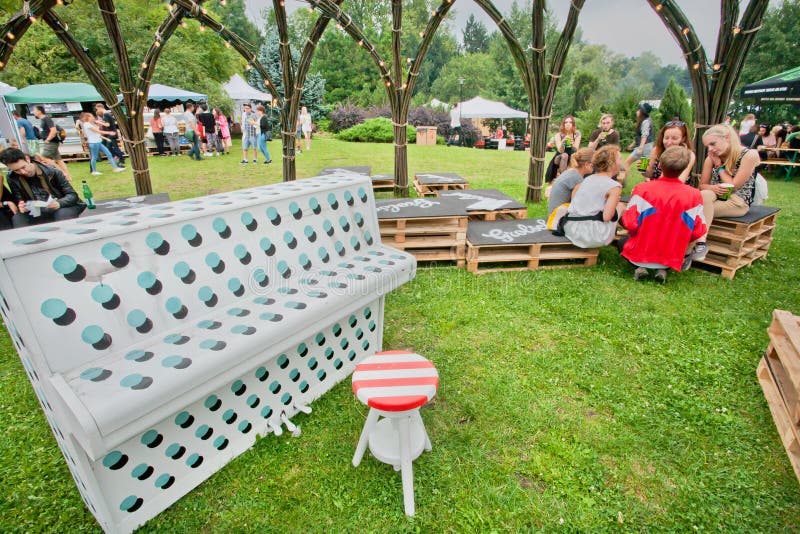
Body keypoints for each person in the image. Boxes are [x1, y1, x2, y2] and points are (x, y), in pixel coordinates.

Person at [621, 146, 708, 283]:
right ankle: (662, 270)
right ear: (685, 168)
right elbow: (698, 231)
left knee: (622, 242)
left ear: (660, 165)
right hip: (672, 256)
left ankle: (640, 267)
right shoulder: (694, 195)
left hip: (639, 251)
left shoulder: (643, 189)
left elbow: (630, 223)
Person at [556, 144, 622, 249]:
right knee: (621, 206)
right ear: (612, 163)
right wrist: (615, 204)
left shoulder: (587, 179)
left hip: (570, 228)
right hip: (590, 236)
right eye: (620, 158)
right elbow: (606, 217)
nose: (621, 162)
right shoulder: (614, 186)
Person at [0, 147, 85, 227]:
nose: (22, 172)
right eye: (16, 170)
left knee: (62, 214)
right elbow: (20, 199)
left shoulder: (52, 171)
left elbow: (72, 195)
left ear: (27, 159)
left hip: (63, 206)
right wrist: (22, 206)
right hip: (38, 210)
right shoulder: (12, 177)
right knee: (18, 218)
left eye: (23, 167)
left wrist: (58, 203)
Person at [699, 123, 761, 223]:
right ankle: (700, 237)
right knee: (704, 195)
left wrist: (719, 166)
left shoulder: (749, 155)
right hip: (715, 195)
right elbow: (702, 185)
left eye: (713, 144)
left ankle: (699, 237)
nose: (710, 149)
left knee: (696, 211)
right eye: (707, 146)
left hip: (737, 201)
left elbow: (733, 186)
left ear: (727, 137)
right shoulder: (711, 158)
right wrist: (712, 188)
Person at [547, 147, 594, 218]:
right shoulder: (577, 178)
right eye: (595, 163)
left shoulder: (571, 172)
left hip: (553, 217)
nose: (596, 166)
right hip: (557, 222)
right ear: (587, 164)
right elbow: (576, 207)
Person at [32, 105, 72, 181]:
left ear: (39, 111)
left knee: (44, 158)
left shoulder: (46, 119)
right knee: (58, 159)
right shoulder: (43, 120)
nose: (33, 112)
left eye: (34, 110)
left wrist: (48, 139)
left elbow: (53, 131)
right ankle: (68, 177)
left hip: (51, 142)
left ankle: (63, 173)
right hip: (52, 142)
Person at [620, 102, 654, 186]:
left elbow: (644, 135)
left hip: (645, 147)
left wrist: (640, 148)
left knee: (640, 168)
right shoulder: (644, 121)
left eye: (638, 110)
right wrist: (633, 144)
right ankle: (648, 184)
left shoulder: (646, 122)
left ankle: (622, 183)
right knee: (642, 169)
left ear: (642, 112)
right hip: (645, 147)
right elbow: (639, 136)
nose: (637, 111)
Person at [545, 115, 582, 182]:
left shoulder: (577, 134)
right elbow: (560, 150)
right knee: (565, 155)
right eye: (566, 122)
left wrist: (572, 144)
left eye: (570, 122)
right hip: (560, 157)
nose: (568, 124)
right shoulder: (558, 135)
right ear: (563, 124)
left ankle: (564, 178)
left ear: (573, 124)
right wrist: (563, 142)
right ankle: (563, 178)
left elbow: (576, 149)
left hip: (572, 156)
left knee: (568, 156)